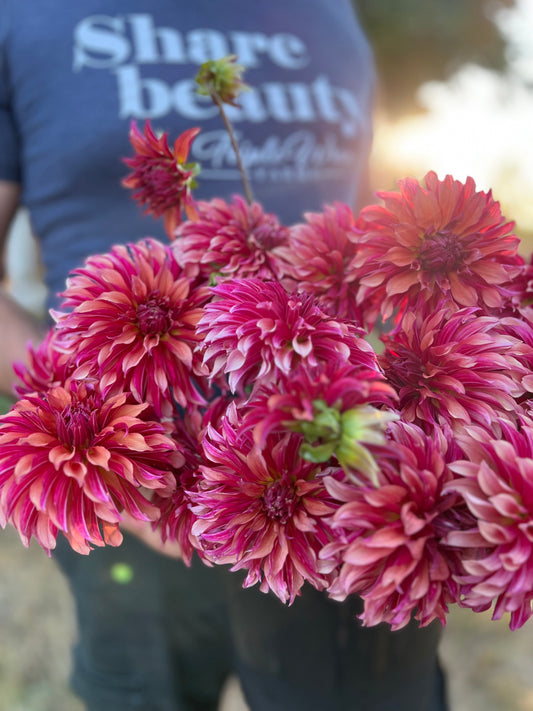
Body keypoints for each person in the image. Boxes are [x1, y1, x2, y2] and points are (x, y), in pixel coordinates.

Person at [0, 1, 449, 710]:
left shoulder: (330, 15)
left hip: (339, 482)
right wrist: (91, 425)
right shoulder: (28, 18)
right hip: (134, 492)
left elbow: (370, 240)